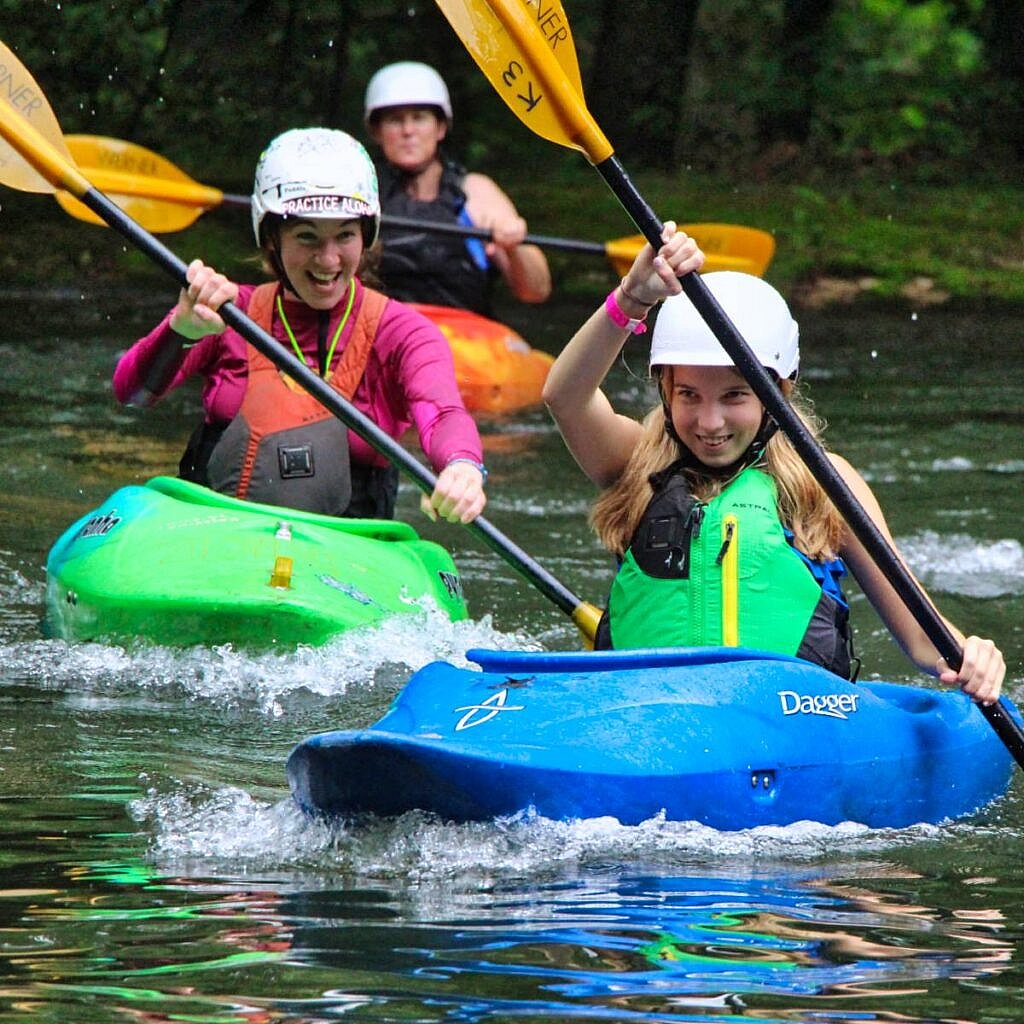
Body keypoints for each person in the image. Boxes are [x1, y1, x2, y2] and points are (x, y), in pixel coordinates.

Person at [541, 224, 1004, 705]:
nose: (710, 420)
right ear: (665, 390)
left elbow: (921, 636)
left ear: (776, 393)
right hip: (648, 717)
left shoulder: (823, 482)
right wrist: (632, 298)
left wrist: (971, 655)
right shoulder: (635, 463)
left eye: (735, 395)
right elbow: (565, 397)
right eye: (688, 395)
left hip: (786, 726)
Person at [113, 127, 487, 526]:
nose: (328, 260)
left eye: (344, 236)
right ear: (273, 238)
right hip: (214, 534)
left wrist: (462, 467)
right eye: (307, 237)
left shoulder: (403, 333)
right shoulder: (226, 312)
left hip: (347, 553)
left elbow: (442, 412)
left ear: (366, 236)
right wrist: (181, 330)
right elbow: (131, 394)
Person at [363, 60, 551, 317]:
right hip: (383, 331)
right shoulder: (360, 191)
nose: (408, 131)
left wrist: (514, 246)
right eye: (395, 120)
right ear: (377, 132)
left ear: (440, 128)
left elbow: (535, 291)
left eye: (419, 118)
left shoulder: (475, 192)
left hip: (465, 341)